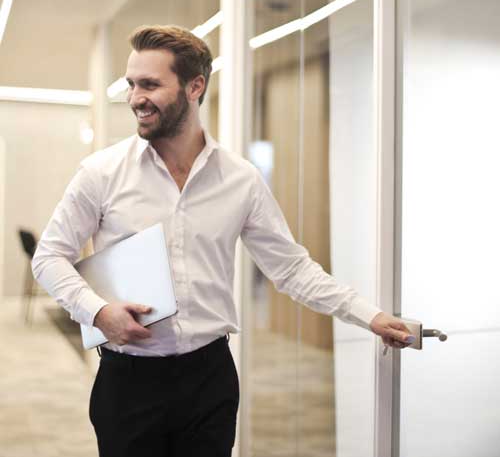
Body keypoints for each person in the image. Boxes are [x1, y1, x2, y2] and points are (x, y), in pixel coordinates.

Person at [32, 24, 413, 457]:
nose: (135, 97)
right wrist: (98, 312)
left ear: (195, 86)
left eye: (150, 84)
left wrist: (369, 315)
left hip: (208, 379)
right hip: (128, 383)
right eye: (132, 83)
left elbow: (290, 268)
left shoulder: (240, 179)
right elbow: (49, 256)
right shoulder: (101, 173)